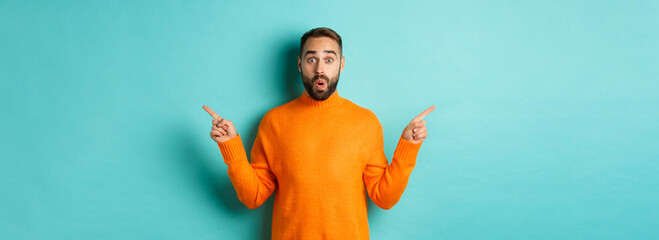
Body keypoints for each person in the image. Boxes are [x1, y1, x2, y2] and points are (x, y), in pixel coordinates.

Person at [203, 27, 434, 239]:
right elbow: (253, 197)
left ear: (341, 64)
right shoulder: (273, 122)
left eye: (329, 59)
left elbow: (384, 198)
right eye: (311, 59)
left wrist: (407, 147)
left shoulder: (366, 122)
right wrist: (230, 146)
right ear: (300, 64)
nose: (320, 69)